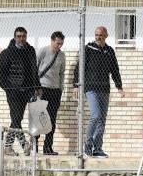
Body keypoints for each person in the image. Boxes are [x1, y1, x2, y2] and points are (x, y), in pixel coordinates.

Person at [73, 26, 125, 158]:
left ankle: (98, 148)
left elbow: (115, 70)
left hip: (104, 89)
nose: (98, 37)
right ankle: (87, 147)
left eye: (101, 35)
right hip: (91, 88)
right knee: (95, 115)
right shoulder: (88, 49)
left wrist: (119, 86)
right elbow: (79, 67)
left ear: (106, 36)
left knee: (102, 119)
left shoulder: (109, 51)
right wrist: (75, 85)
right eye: (96, 34)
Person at [0, 27, 41, 155]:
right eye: (19, 36)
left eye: (23, 36)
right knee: (16, 117)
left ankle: (8, 147)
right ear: (15, 37)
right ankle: (24, 144)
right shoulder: (6, 53)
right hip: (13, 91)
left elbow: (34, 70)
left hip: (27, 90)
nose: (21, 39)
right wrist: (8, 88)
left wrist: (37, 86)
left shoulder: (30, 51)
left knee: (17, 118)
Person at [35, 31, 66, 155]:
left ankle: (48, 147)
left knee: (52, 120)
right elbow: (35, 68)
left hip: (55, 90)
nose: (59, 46)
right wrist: (36, 87)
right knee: (39, 118)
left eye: (61, 44)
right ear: (52, 40)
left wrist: (61, 88)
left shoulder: (62, 55)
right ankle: (34, 146)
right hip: (42, 88)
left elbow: (62, 73)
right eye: (57, 43)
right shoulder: (43, 51)